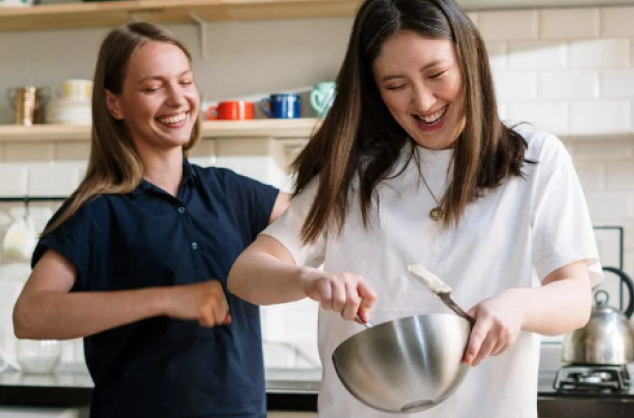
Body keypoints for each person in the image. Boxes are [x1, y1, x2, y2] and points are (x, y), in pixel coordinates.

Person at [227, 1, 601, 417]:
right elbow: (245, 274)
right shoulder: (354, 175)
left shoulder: (533, 159)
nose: (422, 101)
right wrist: (308, 280)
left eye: (436, 75)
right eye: (395, 85)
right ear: (374, 89)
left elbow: (575, 299)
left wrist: (517, 306)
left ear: (470, 62)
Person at [12, 22, 289, 418]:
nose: (177, 99)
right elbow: (30, 316)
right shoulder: (96, 211)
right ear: (114, 104)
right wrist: (167, 299)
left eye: (185, 81)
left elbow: (320, 218)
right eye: (153, 87)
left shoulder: (229, 191)